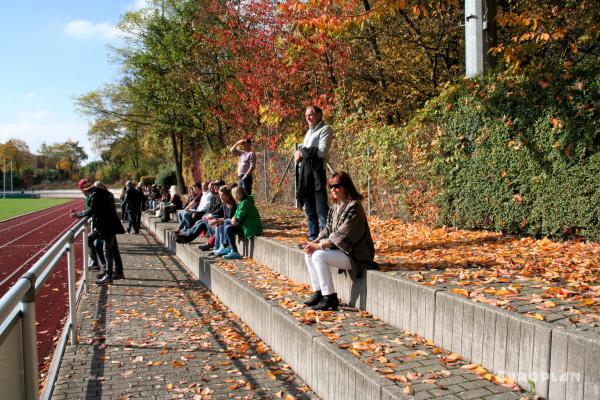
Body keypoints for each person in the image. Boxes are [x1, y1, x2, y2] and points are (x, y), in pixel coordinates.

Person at [301, 171, 376, 311]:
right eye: (330, 186)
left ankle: (330, 297)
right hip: (341, 252)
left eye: (336, 186)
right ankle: (319, 293)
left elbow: (340, 234)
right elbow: (327, 230)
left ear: (346, 186)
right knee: (308, 253)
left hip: (356, 255)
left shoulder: (354, 207)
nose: (333, 189)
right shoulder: (335, 207)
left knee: (318, 254)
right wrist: (314, 241)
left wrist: (318, 246)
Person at [71, 178, 125, 285]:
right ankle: (102, 267)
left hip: (106, 227)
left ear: (84, 190)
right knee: (91, 240)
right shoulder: (100, 193)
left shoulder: (96, 195)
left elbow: (91, 211)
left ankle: (108, 276)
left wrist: (78, 214)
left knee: (107, 250)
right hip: (103, 226)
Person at [295, 105, 332, 241]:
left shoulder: (325, 129)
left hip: (317, 175)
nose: (308, 118)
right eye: (306, 116)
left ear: (319, 115)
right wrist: (300, 153)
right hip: (305, 175)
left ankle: (326, 238)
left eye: (310, 115)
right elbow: (307, 152)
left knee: (321, 209)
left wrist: (302, 152)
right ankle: (312, 237)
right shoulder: (308, 132)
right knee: (309, 209)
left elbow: (322, 152)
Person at [215, 186, 262, 260]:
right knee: (228, 227)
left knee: (227, 224)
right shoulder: (241, 202)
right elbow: (235, 217)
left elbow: (236, 221)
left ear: (237, 195)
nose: (233, 197)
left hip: (251, 229)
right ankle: (229, 248)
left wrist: (233, 219)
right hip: (246, 227)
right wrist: (233, 219)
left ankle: (227, 247)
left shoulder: (245, 203)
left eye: (233, 195)